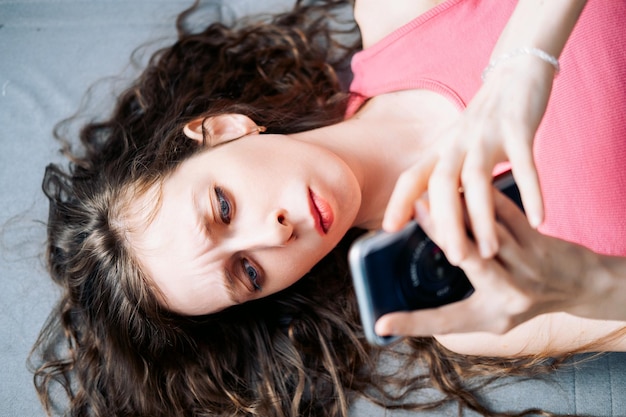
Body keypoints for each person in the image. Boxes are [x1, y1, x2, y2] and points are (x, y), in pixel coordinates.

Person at [31, 1, 626, 417]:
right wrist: (586, 285)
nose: (274, 232)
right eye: (248, 272)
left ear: (224, 129)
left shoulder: (404, 14)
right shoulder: (471, 307)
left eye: (222, 206)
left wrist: (529, 56)